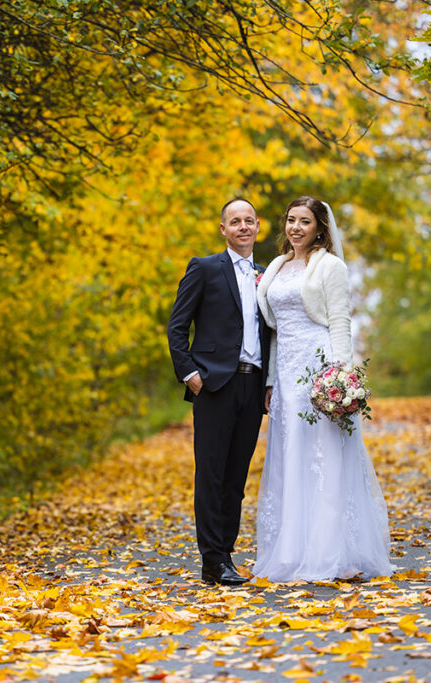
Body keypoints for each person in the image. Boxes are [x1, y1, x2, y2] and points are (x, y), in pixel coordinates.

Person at [252, 196, 393, 582]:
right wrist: (268, 381)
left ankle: (335, 553)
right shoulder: (277, 267)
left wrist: (341, 377)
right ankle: (294, 551)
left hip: (319, 367)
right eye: (291, 220)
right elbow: (276, 330)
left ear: (319, 228)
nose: (296, 227)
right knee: (290, 457)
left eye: (305, 221)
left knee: (324, 457)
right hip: (284, 374)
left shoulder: (330, 266)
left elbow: (339, 321)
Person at [167, 198, 271, 586]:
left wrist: (270, 382)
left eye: (249, 221)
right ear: (223, 229)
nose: (243, 227)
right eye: (235, 221)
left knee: (236, 477)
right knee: (211, 473)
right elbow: (177, 327)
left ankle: (225, 552)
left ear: (257, 226)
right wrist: (190, 373)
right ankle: (213, 559)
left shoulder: (267, 275)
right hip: (214, 383)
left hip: (252, 383)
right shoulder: (205, 268)